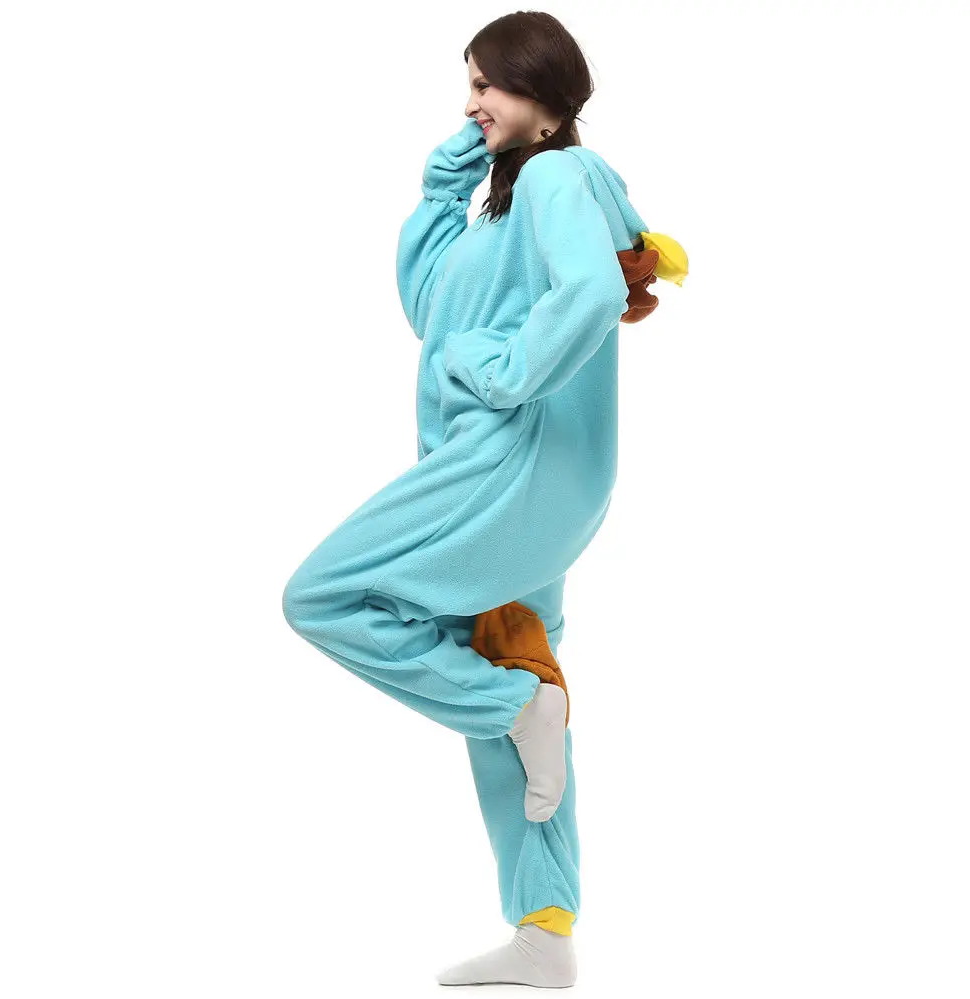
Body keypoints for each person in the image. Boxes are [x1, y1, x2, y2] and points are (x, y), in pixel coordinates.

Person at [282, 11, 687, 988]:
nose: (470, 103)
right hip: (518, 473)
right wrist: (442, 194)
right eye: (466, 84)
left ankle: (511, 705)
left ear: (542, 95)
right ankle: (543, 933)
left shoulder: (557, 177)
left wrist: (501, 375)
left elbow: (589, 294)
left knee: (323, 597)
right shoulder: (506, 205)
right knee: (514, 659)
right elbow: (433, 315)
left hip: (511, 461)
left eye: (486, 84)